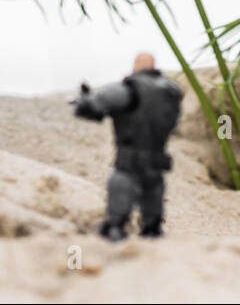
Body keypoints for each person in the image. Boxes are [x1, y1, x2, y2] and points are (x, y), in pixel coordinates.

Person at [73, 52, 182, 240]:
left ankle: (116, 228)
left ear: (136, 66)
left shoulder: (130, 88)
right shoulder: (171, 91)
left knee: (121, 191)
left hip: (130, 157)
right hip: (157, 158)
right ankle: (152, 229)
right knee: (153, 194)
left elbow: (95, 105)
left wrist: (85, 101)